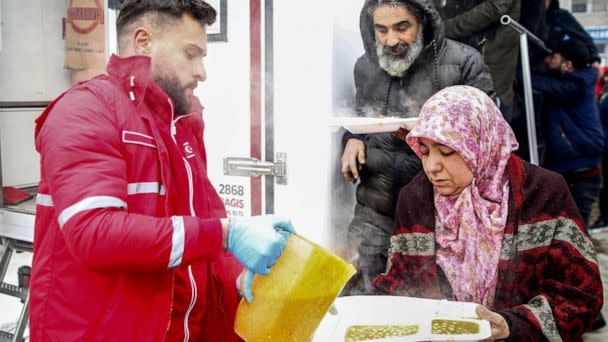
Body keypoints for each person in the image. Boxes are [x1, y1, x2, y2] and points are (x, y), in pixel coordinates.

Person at [29, 1, 294, 341]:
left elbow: (200, 226)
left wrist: (238, 276)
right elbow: (94, 233)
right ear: (143, 42)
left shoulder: (181, 124)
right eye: (190, 54)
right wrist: (226, 234)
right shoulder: (85, 109)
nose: (201, 72)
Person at [374, 85, 603, 341]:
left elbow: (581, 294)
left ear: (481, 143)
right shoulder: (416, 199)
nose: (431, 166)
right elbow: (398, 286)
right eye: (425, 151)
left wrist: (513, 326)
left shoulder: (543, 193)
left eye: (446, 151)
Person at [340, 0, 495, 295]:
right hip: (377, 207)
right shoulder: (365, 66)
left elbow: (489, 136)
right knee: (367, 298)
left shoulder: (464, 62)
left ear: (424, 22)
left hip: (442, 216)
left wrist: (425, 135)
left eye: (402, 27)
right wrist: (352, 139)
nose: (391, 40)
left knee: (432, 305)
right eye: (381, 30)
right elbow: (360, 117)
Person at [532, 38, 604, 227]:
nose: (547, 60)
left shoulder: (575, 85)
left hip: (581, 171)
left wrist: (516, 71)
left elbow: (540, 82)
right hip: (570, 169)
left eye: (553, 56)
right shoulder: (571, 81)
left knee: (577, 237)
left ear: (567, 64)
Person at [433, 0, 521, 121]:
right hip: (460, 52)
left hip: (490, 53)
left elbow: (495, 7)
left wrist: (446, 28)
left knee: (490, 117)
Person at [545, 0, 601, 73]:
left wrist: (595, 60)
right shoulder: (528, 14)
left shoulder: (560, 16)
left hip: (548, 66)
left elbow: (584, 38)